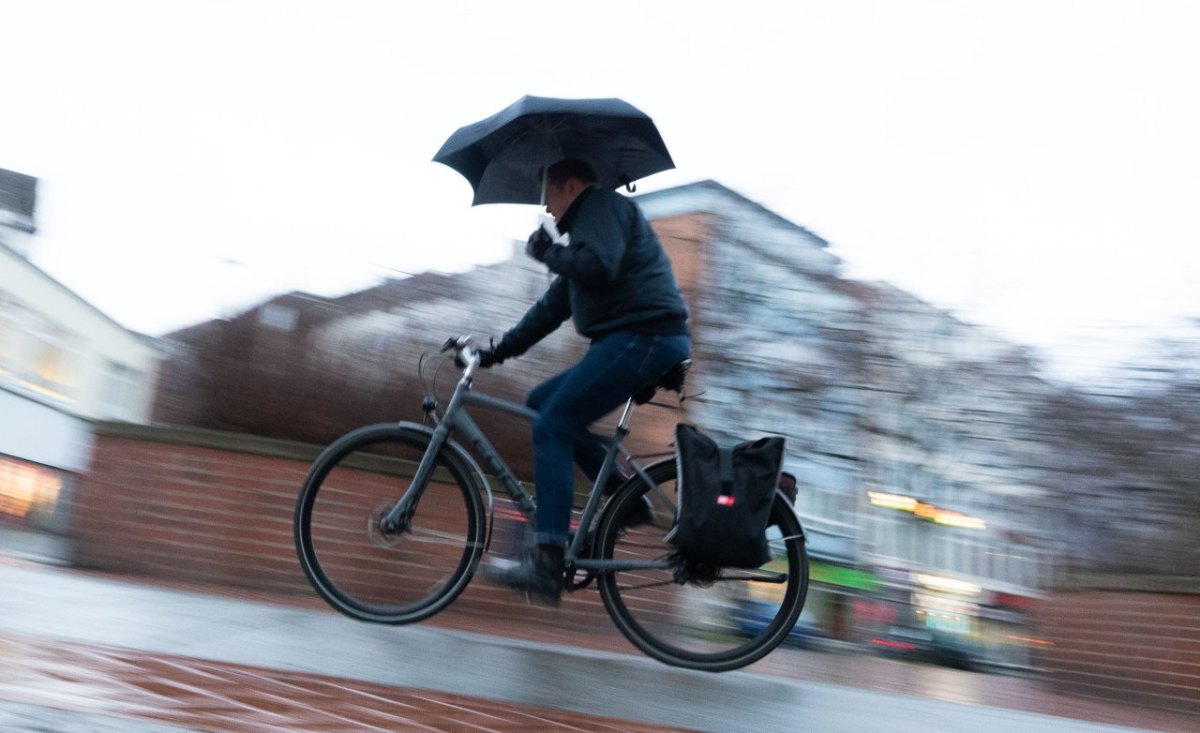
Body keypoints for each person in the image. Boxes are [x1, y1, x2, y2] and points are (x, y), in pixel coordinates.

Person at [475, 158, 691, 606]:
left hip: (644, 337)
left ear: (570, 186)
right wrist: (496, 351)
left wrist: (547, 253)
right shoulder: (585, 237)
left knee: (552, 424)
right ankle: (625, 497)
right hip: (632, 340)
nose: (548, 209)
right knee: (542, 404)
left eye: (548, 196)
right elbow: (552, 309)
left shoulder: (601, 208)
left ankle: (547, 559)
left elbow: (599, 267)